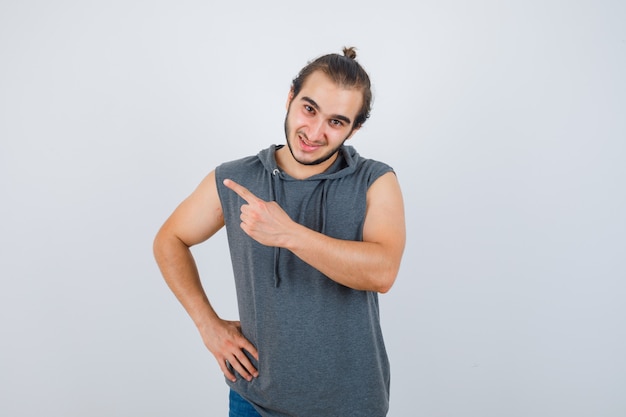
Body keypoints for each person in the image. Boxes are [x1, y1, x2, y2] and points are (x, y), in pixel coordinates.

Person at [153, 46, 406, 417]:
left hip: (352, 405)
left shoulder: (375, 180)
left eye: (336, 122)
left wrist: (288, 234)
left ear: (355, 128)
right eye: (309, 108)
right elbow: (169, 240)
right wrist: (208, 326)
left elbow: (382, 272)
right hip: (254, 401)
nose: (315, 132)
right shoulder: (235, 178)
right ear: (290, 98)